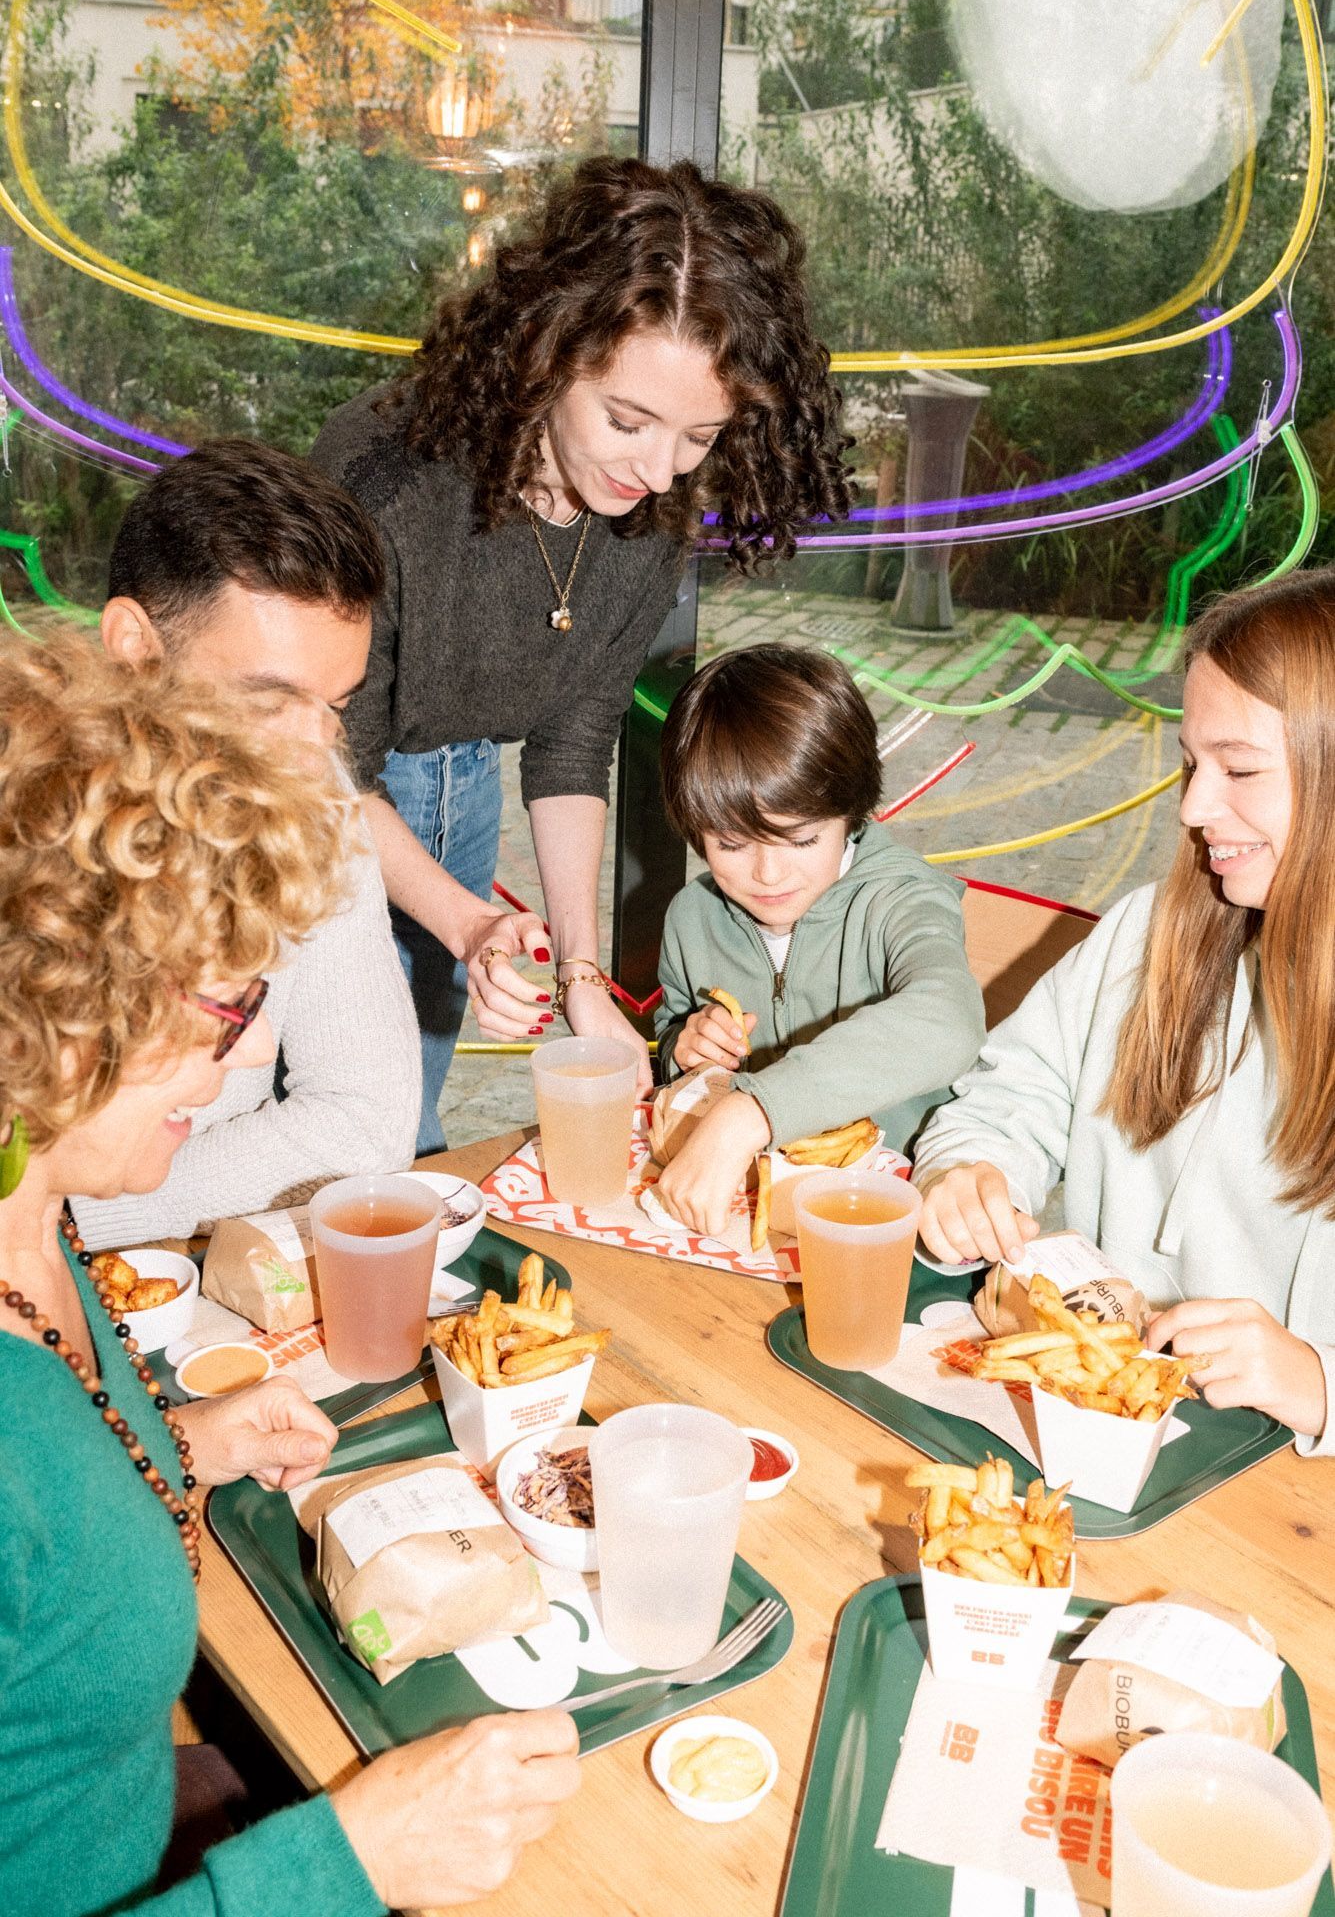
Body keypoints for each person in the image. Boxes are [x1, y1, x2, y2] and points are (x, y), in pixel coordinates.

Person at [0, 627, 580, 1917]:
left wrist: (175, 1443)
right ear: (60, 999)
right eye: (221, 1011)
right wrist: (349, 1861)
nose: (242, 1060)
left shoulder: (31, 1214)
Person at [310, 155, 853, 1151]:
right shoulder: (386, 480)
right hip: (295, 794)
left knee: (407, 1099)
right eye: (627, 421)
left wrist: (580, 977)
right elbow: (327, 763)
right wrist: (469, 923)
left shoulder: (651, 504)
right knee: (345, 1119)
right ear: (548, 350)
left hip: (456, 775)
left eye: (699, 436)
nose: (660, 471)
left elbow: (574, 734)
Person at [913, 569, 1335, 1453]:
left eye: (1239, 769)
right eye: (1190, 764)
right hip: (1098, 1442)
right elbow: (1012, 1093)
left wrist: (1317, 1383)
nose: (1193, 807)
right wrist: (968, 1170)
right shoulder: (1148, 930)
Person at [75, 439, 422, 1251]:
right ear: (132, 647)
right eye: (267, 703)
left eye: (337, 705)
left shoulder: (317, 794)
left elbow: (367, 1125)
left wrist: (73, 1215)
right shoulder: (30, 835)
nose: (313, 758)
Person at [650, 646, 985, 1237]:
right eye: (730, 844)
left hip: (897, 1220)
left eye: (801, 839)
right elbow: (671, 1034)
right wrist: (683, 1046)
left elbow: (950, 1020)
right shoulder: (691, 917)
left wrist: (751, 1112)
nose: (768, 874)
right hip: (752, 1212)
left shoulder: (901, 901)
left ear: (851, 811)